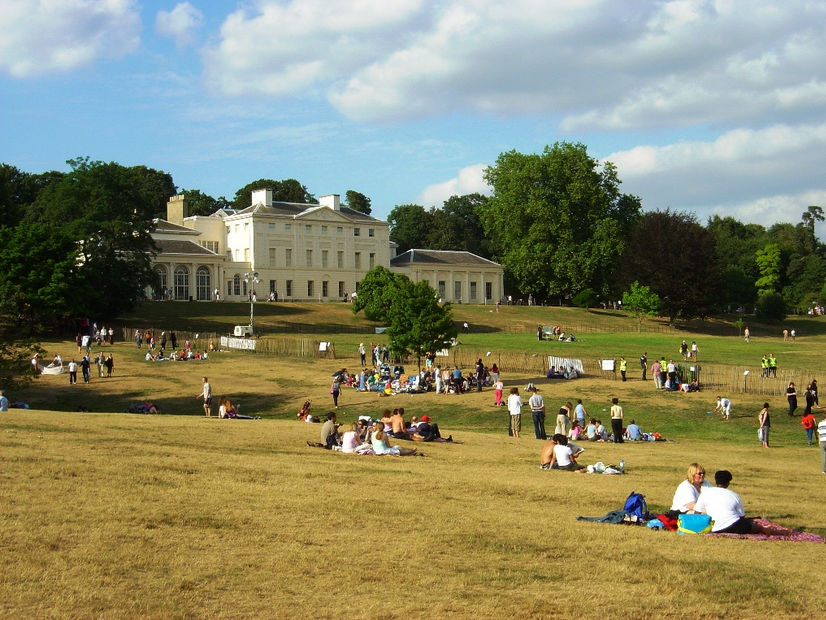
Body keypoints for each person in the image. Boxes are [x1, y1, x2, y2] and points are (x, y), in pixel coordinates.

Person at [692, 470, 790, 536]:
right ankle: (780, 532)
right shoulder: (734, 495)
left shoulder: (706, 493)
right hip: (735, 525)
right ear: (728, 482)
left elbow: (696, 513)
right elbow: (741, 516)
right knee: (758, 528)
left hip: (715, 528)